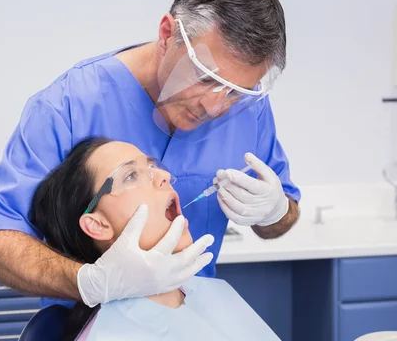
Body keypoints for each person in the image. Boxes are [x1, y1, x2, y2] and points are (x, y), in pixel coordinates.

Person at [0, 0, 301, 309]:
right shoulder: (69, 105)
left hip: (190, 320)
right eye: (206, 78)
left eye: (235, 91)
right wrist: (93, 283)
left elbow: (281, 221)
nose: (216, 107)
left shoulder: (248, 111)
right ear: (166, 35)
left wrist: (274, 211)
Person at [31, 136, 280, 341]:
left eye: (152, 167)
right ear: (98, 224)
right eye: (131, 175)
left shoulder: (205, 294)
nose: (163, 176)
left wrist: (278, 211)